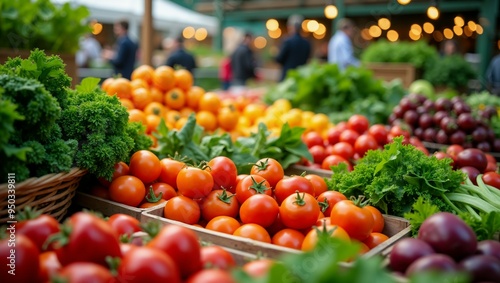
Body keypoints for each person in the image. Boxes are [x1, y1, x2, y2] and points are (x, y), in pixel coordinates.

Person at [275, 14, 311, 81]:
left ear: (291, 27)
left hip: (287, 77)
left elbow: (279, 59)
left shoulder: (288, 41)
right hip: (300, 77)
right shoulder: (306, 43)